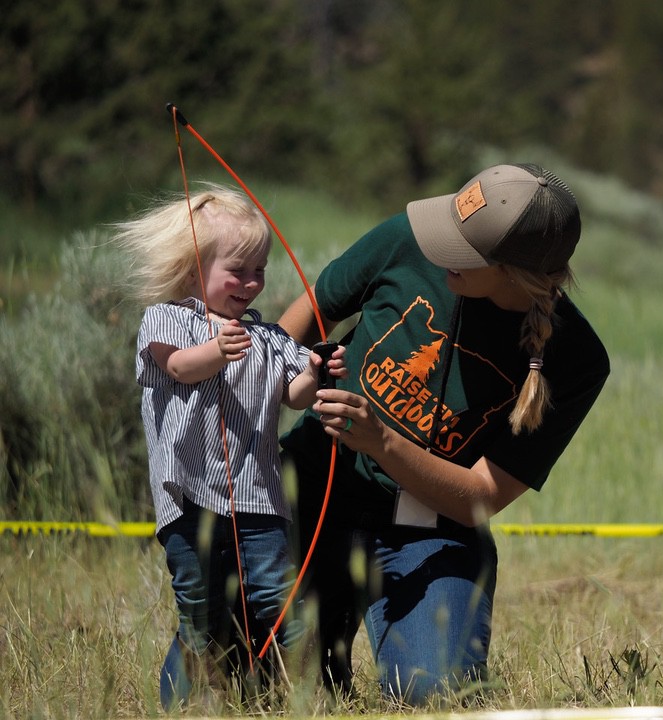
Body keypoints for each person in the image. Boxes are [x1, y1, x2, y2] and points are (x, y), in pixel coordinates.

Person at [278, 163, 610, 705]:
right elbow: (310, 316)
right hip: (310, 497)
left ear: (513, 272)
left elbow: (481, 497)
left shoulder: (575, 360)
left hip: (429, 533)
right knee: (262, 687)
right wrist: (268, 392)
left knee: (437, 696)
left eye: (463, 248)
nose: (439, 248)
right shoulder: (410, 238)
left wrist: (382, 442)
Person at [113, 183, 322, 710]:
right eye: (238, 269)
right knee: (202, 616)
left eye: (260, 270)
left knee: (280, 606)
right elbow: (180, 366)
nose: (251, 282)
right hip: (188, 500)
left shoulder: (269, 337)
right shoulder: (166, 319)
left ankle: (308, 700)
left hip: (259, 500)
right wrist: (216, 349)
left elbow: (294, 395)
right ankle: (180, 707)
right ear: (191, 270)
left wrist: (316, 371)